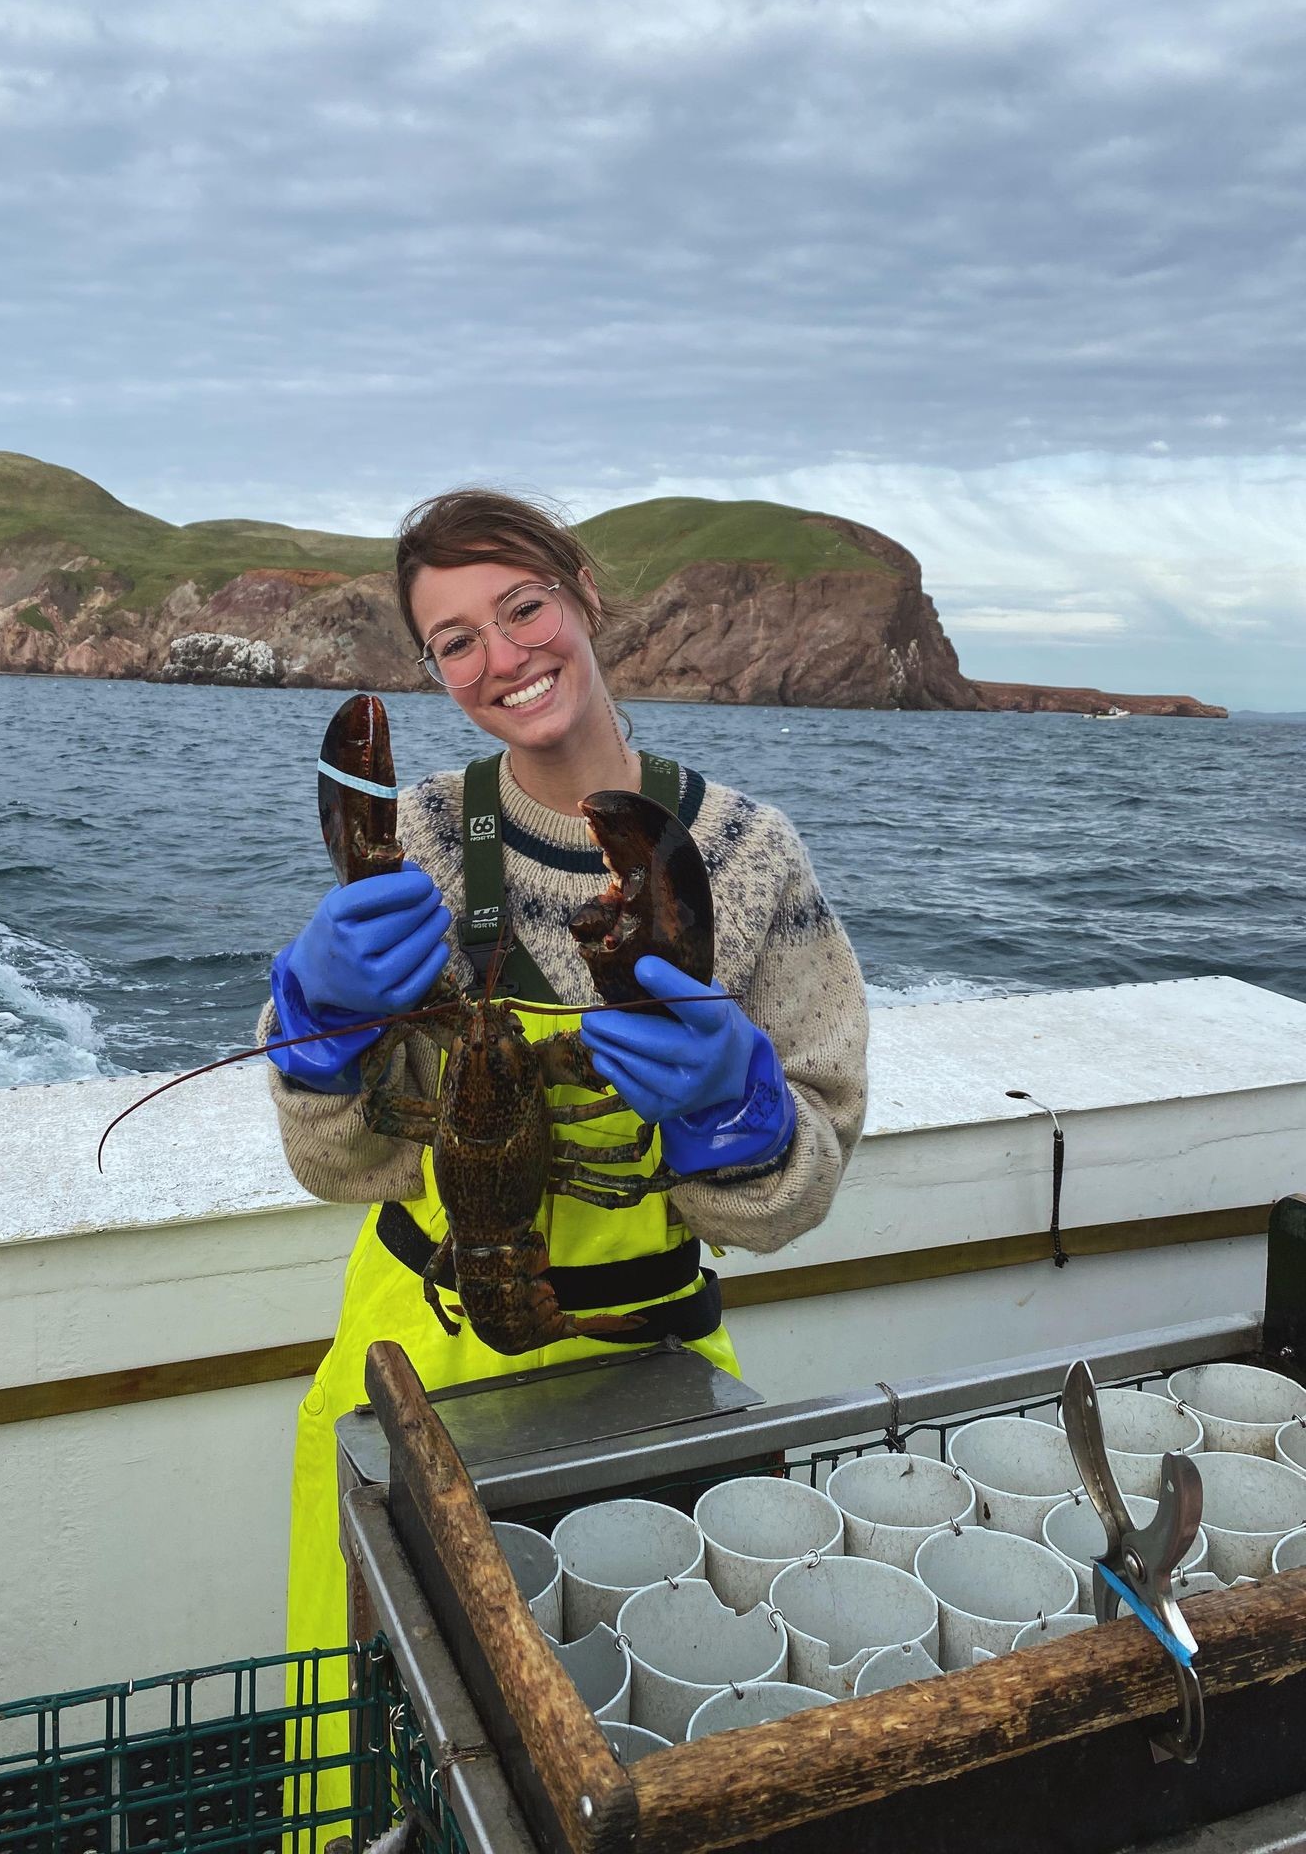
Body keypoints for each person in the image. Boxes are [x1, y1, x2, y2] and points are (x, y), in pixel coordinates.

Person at [260, 487, 868, 1773]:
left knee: (638, 1744)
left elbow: (793, 1193)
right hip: (410, 1358)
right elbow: (338, 1163)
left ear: (584, 594)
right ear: (433, 671)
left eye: (522, 606)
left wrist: (738, 1112)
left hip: (644, 1359)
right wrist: (313, 1024)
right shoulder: (412, 839)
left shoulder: (750, 855)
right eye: (456, 640)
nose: (504, 655)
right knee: (393, 1751)